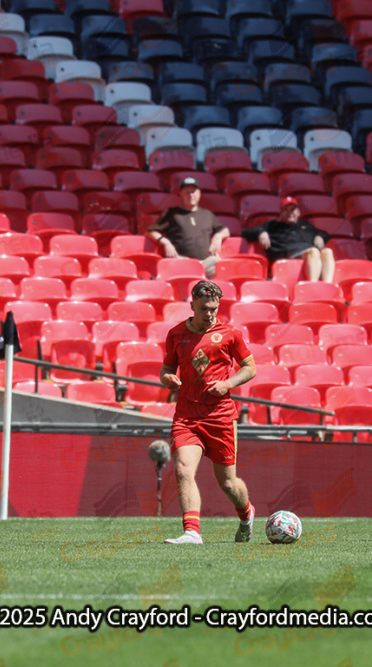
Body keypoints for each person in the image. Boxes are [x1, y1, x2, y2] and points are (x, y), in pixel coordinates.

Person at [160, 280, 257, 544]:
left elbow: (250, 367)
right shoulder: (176, 334)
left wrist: (228, 383)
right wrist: (168, 378)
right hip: (187, 417)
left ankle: (246, 514)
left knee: (228, 483)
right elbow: (165, 370)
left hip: (221, 417)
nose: (210, 313)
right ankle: (192, 532)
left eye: (214, 308)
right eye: (204, 308)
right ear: (192, 305)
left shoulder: (230, 334)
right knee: (182, 469)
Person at [146, 177, 230, 278]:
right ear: (181, 194)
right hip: (181, 261)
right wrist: (165, 242)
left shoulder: (207, 214)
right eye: (187, 192)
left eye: (193, 192)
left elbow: (225, 230)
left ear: (199, 193)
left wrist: (218, 236)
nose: (191, 195)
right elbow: (151, 231)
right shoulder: (172, 213)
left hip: (204, 263)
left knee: (222, 267)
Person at [241, 196, 335, 282]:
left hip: (308, 255)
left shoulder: (306, 226)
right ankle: (312, 286)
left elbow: (324, 234)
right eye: (286, 210)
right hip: (286, 256)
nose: (290, 213)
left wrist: (320, 237)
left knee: (328, 251)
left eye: (292, 209)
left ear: (298, 212)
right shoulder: (272, 226)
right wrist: (261, 233)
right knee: (313, 251)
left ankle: (327, 286)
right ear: (281, 213)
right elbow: (245, 233)